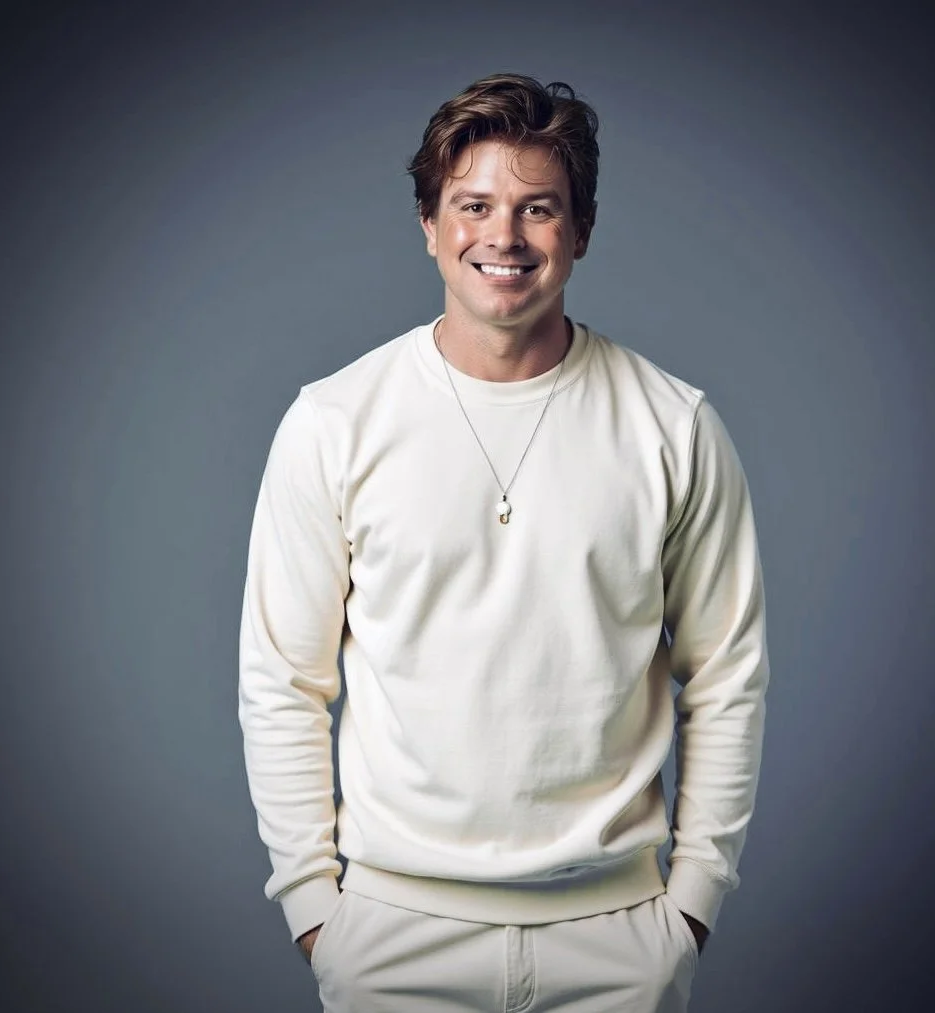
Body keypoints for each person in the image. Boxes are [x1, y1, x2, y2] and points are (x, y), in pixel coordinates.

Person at [238, 72, 770, 1013]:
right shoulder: (334, 421)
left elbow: (727, 674)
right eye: (473, 205)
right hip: (391, 936)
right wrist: (316, 910)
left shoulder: (672, 424)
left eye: (538, 208)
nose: (504, 237)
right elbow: (282, 677)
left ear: (581, 230)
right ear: (430, 225)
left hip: (618, 937)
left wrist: (692, 902)